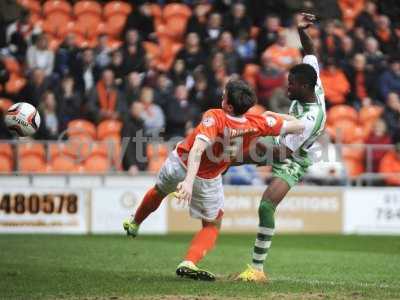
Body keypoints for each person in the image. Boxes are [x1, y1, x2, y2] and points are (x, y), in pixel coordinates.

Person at [123, 79, 305, 281]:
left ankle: (134, 222)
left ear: (227, 105)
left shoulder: (214, 117)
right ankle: (189, 261)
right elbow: (300, 126)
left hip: (179, 164)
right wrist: (273, 115)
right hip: (207, 179)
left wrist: (188, 182)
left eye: (224, 94)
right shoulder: (258, 123)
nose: (222, 96)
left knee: (158, 191)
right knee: (212, 225)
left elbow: (197, 149)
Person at [235, 13, 326, 282]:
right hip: (285, 137)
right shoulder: (313, 78)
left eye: (291, 84)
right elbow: (310, 50)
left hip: (294, 157)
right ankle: (217, 163)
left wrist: (247, 155)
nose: (286, 87)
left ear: (306, 87)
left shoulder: (311, 120)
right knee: (236, 148)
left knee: (265, 206)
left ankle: (257, 269)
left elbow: (282, 153)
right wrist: (301, 30)